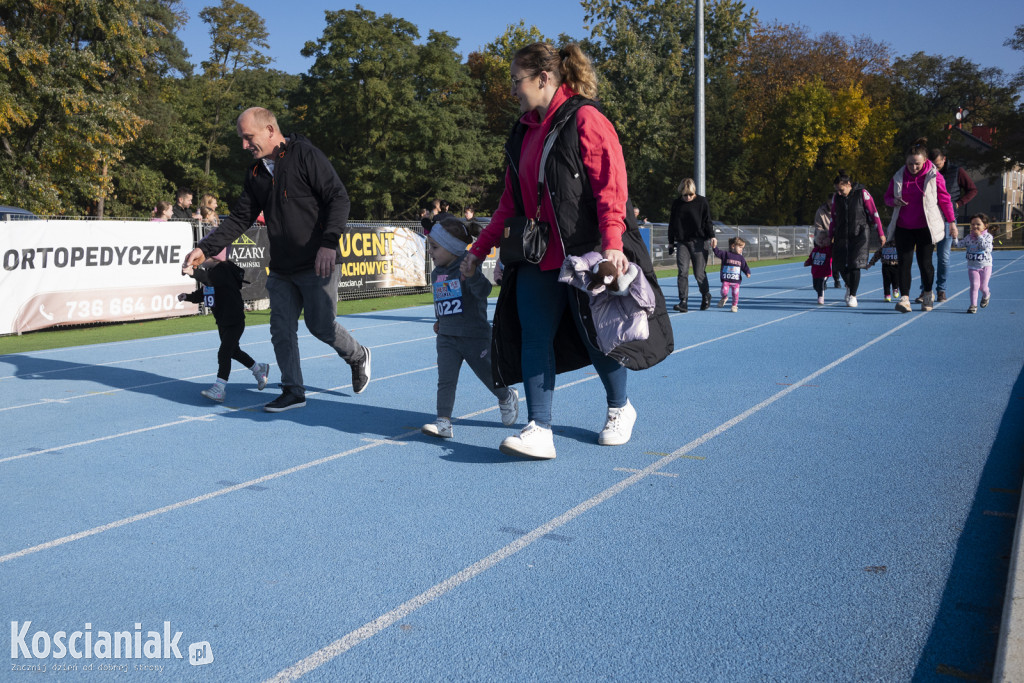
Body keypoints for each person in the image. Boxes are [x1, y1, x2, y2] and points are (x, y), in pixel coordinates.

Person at [459, 42, 673, 460]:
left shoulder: (587, 119)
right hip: (536, 257)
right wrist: (479, 248)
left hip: (586, 253)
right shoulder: (521, 132)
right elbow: (509, 203)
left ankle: (619, 408)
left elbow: (612, 189)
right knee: (534, 337)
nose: (513, 90)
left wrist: (612, 246)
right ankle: (539, 428)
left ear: (543, 78)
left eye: (516, 81)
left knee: (597, 336)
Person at [181, 106, 371, 412]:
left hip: (318, 260)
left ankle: (358, 355)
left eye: (248, 137)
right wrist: (205, 247)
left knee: (320, 325)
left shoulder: (307, 156)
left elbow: (339, 197)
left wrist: (328, 244)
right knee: (281, 328)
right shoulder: (255, 173)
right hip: (282, 266)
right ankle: (293, 390)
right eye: (241, 139)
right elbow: (240, 217)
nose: (244, 145)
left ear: (270, 130)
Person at [421, 216, 520, 438]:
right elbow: (442, 298)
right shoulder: (437, 273)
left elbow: (484, 291)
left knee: (488, 375)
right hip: (447, 337)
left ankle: (506, 396)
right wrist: (439, 319)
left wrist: (472, 275)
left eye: (435, 247)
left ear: (452, 248)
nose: (431, 252)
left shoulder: (468, 264)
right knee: (445, 380)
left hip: (474, 336)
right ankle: (443, 422)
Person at [178, 250, 270, 403]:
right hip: (222, 320)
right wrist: (188, 297)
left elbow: (208, 279)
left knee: (224, 353)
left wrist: (192, 272)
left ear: (214, 257)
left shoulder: (224, 270)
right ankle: (258, 369)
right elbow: (205, 291)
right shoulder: (212, 273)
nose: (201, 259)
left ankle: (219, 388)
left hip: (234, 320)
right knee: (234, 351)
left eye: (204, 256)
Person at [884, 137, 957, 313]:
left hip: (926, 227)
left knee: (925, 263)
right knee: (904, 263)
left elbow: (945, 200)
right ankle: (905, 298)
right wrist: (894, 201)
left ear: (925, 161)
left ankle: (927, 293)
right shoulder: (899, 176)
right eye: (910, 164)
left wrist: (952, 222)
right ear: (905, 162)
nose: (913, 167)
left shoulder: (934, 175)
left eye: (917, 164)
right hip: (904, 227)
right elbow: (887, 198)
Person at [829, 170, 886, 308]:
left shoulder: (863, 194)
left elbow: (874, 213)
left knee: (855, 264)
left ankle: (853, 295)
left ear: (849, 184)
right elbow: (833, 219)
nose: (839, 193)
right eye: (837, 190)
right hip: (841, 235)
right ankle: (849, 285)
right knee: (839, 265)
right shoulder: (836, 198)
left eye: (841, 190)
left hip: (860, 234)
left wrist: (881, 233)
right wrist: (830, 235)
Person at [928, 149, 978, 302]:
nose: (935, 169)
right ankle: (926, 290)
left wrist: (958, 203)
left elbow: (972, 189)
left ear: (944, 159)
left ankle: (941, 289)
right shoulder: (926, 172)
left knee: (943, 257)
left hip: (948, 220)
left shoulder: (957, 172)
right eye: (932, 165)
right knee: (925, 257)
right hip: (929, 219)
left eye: (937, 165)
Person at [667, 178, 714, 313]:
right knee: (682, 272)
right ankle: (683, 301)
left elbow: (707, 221)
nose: (687, 197)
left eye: (690, 195)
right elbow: (672, 223)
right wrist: (671, 242)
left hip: (699, 242)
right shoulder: (677, 204)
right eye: (685, 195)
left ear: (694, 193)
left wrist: (712, 236)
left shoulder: (702, 202)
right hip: (682, 242)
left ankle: (706, 295)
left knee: (699, 273)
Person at [950, 213, 994, 314]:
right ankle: (973, 305)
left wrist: (979, 236)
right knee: (974, 285)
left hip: (985, 266)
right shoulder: (968, 237)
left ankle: (986, 295)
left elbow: (985, 247)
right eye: (973, 224)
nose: (975, 226)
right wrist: (955, 237)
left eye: (978, 224)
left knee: (983, 287)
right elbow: (957, 245)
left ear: (985, 226)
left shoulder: (988, 237)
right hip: (972, 267)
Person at [713, 236, 751, 312]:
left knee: (735, 294)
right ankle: (724, 297)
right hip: (726, 279)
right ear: (733, 246)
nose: (741, 250)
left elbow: (744, 266)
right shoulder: (725, 254)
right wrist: (714, 247)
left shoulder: (741, 258)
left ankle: (734, 305)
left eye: (742, 248)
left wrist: (747, 272)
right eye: (740, 247)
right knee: (723, 291)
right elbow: (717, 253)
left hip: (736, 280)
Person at [813, 202, 843, 289]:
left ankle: (836, 280)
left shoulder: (840, 210)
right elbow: (818, 226)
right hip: (823, 239)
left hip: (835, 239)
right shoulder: (820, 211)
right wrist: (824, 237)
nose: (831, 206)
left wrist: (834, 236)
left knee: (835, 262)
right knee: (823, 262)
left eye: (833, 204)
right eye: (830, 204)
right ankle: (823, 281)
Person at [803, 228, 832, 305]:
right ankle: (821, 289)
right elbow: (811, 258)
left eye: (823, 239)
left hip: (824, 272)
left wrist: (829, 244)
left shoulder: (828, 249)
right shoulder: (815, 250)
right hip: (815, 272)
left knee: (821, 283)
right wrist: (807, 262)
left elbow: (832, 252)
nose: (821, 240)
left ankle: (820, 297)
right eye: (819, 239)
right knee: (815, 286)